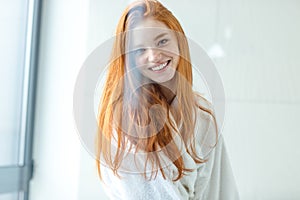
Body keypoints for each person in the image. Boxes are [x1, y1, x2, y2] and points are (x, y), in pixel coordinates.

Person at [96, 0, 239, 199]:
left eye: (162, 41)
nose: (154, 55)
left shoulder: (202, 115)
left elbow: (222, 189)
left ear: (179, 42)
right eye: (140, 50)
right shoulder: (125, 122)